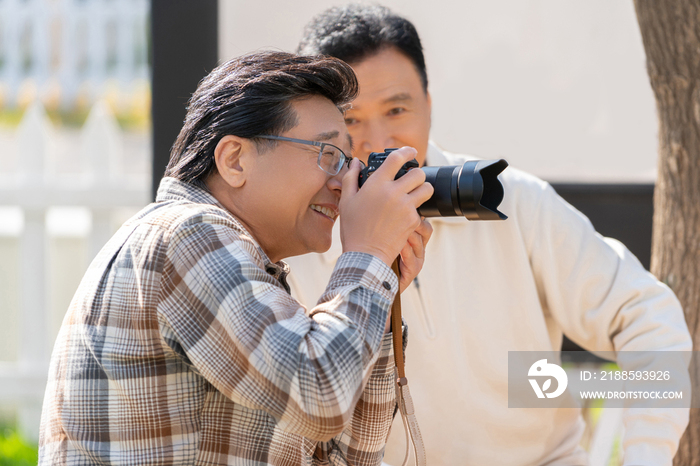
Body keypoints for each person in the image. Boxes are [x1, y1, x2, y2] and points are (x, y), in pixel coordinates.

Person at [289, 5, 693, 465]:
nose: (380, 142)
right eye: (351, 119)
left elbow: (646, 315)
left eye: (397, 109)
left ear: (429, 101)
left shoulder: (512, 200)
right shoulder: (299, 237)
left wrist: (647, 458)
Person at [38, 51, 434, 465]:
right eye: (328, 153)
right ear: (234, 160)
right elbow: (320, 394)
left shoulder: (248, 267)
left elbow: (348, 458)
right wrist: (367, 258)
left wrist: (380, 285)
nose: (343, 182)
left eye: (347, 162)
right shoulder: (187, 235)